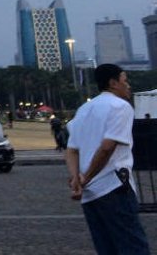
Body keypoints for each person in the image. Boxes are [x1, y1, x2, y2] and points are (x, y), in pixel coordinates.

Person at [66, 63, 150, 254]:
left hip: (89, 194)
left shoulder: (84, 109)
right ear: (113, 83)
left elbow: (71, 150)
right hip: (114, 186)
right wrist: (86, 176)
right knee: (132, 245)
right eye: (125, 80)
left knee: (106, 247)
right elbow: (107, 147)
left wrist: (76, 180)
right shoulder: (120, 107)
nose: (128, 85)